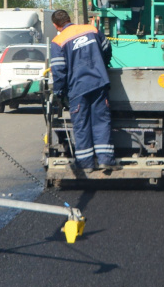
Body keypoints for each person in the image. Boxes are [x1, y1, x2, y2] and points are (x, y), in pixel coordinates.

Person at [49, 9, 116, 172]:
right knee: (101, 121)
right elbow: (107, 50)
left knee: (81, 124)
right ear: (70, 19)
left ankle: (86, 165)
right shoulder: (91, 30)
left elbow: (58, 71)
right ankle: (105, 160)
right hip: (99, 83)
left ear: (55, 25)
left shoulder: (58, 41)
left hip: (77, 88)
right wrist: (103, 66)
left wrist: (59, 93)